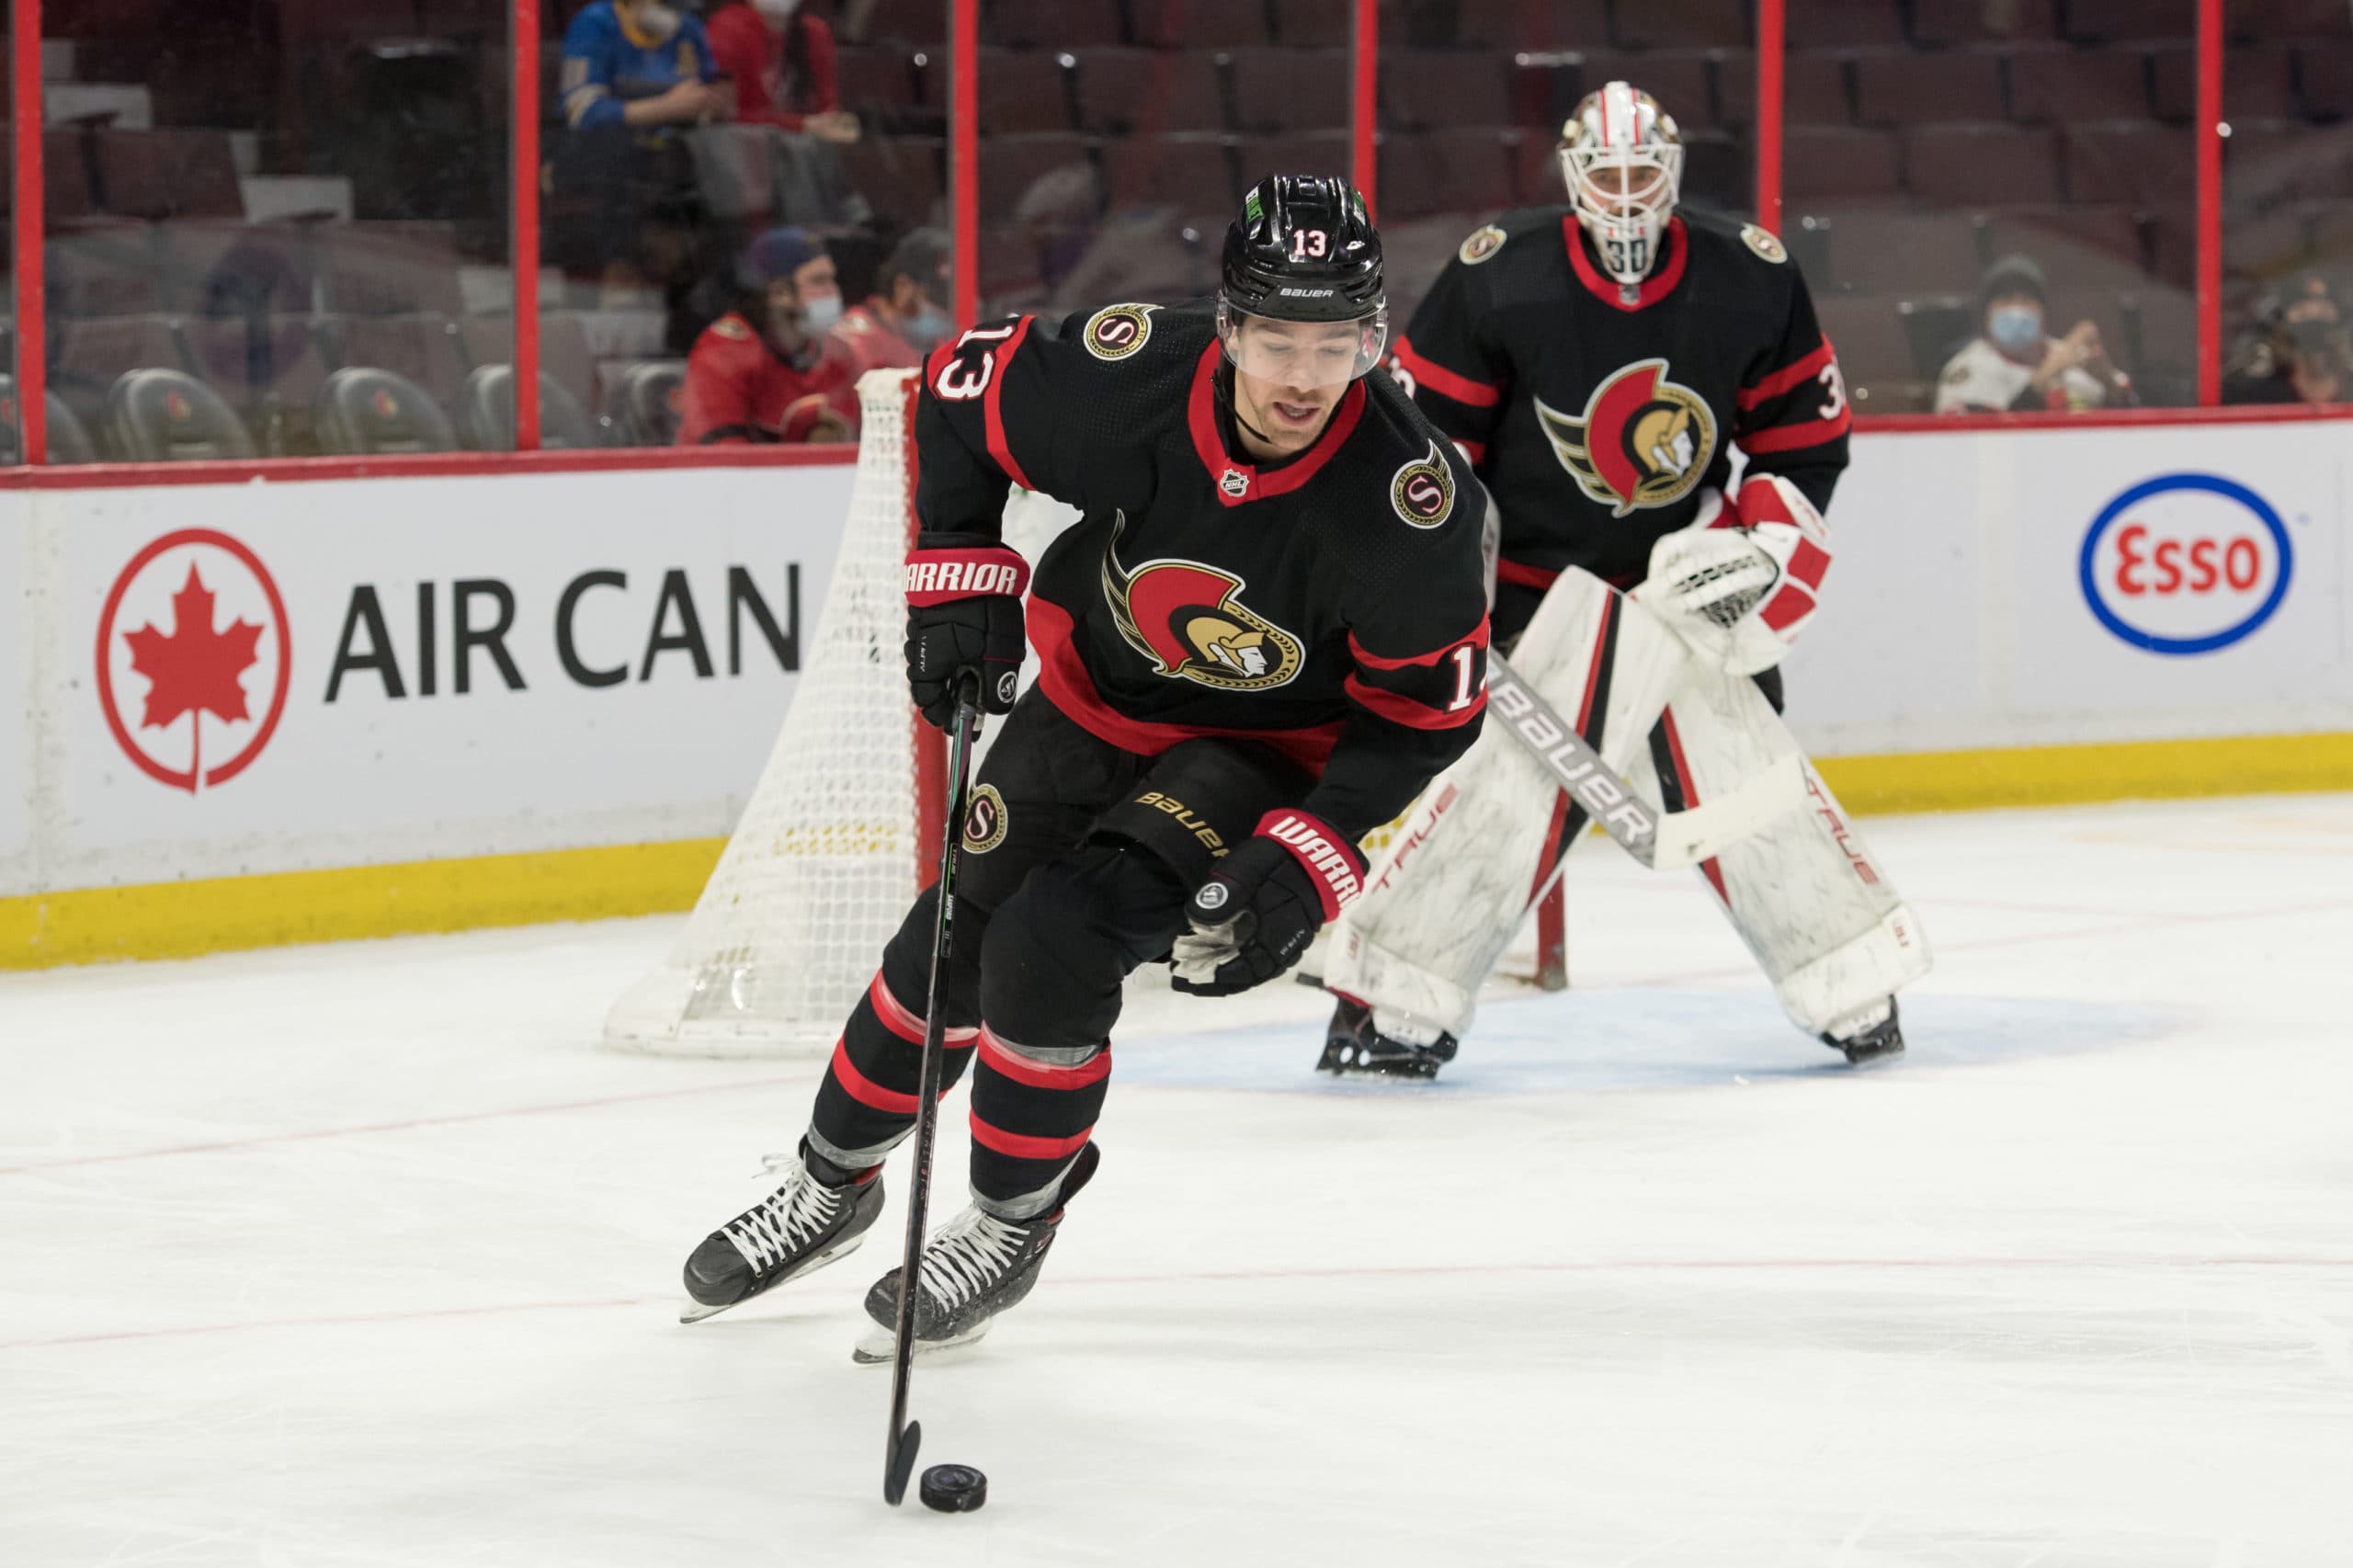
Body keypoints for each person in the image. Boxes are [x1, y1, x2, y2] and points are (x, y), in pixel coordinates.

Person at [675, 176, 1491, 1355]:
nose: (1305, 377)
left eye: (1337, 344)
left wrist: (1316, 849)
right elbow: (958, 392)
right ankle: (829, 1183)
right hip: (1093, 697)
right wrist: (958, 569)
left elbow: (1423, 716)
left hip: (1257, 749)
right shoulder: (1128, 373)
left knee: (1051, 943)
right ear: (1228, 324)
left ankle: (1011, 1223)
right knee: (947, 944)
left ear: (1373, 338)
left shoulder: (1412, 504)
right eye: (1278, 339)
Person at [1320, 81, 1931, 1078]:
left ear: (1675, 172)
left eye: (1643, 173)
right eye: (1605, 175)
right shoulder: (1500, 273)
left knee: (1742, 771)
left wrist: (1759, 549)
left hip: (1682, 590)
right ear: (1570, 178)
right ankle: (1392, 1003)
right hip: (1529, 595)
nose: (1625, 194)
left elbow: (1800, 447)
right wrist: (1448, 592)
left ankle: (1851, 981)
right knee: (1502, 791)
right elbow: (1426, 459)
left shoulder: (1749, 274)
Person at [676, 226, 859, 443]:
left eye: (832, 279)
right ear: (779, 292)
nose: (834, 291)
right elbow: (721, 456)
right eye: (819, 281)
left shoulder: (836, 351)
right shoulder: (724, 352)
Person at [1934, 254, 2135, 414]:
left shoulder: (2071, 355)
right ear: (1986, 316)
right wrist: (2043, 378)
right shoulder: (1968, 368)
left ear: (2043, 314)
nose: (2017, 310)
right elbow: (1973, 440)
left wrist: (2108, 382)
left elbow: (2136, 423)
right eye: (2006, 300)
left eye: (2027, 300)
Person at [559, 0, 730, 132]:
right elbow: (580, 111)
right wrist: (666, 108)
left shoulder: (686, 28)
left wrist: (713, 103)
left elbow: (715, 98)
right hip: (607, 155)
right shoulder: (594, 23)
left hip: (678, 154)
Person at [704, 0, 861, 142]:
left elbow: (827, 110)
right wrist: (801, 125)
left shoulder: (815, 33)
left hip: (802, 155)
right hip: (742, 152)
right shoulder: (726, 30)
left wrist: (833, 122)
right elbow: (727, 117)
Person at [827, 227, 954, 375]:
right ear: (903, 285)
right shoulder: (854, 342)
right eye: (934, 297)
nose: (942, 313)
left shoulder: (933, 340)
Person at [2223, 272, 2347, 406]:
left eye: (2323, 310)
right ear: (2281, 324)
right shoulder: (2255, 392)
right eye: (2302, 311)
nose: (2313, 315)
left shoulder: (2348, 382)